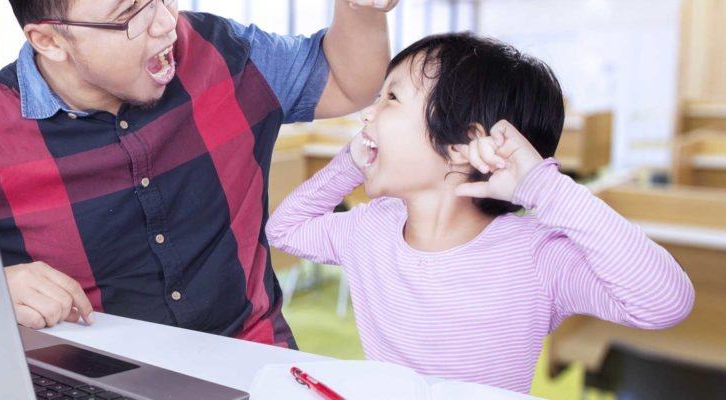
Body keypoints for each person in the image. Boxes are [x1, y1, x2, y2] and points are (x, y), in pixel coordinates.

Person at [0, 0, 399, 348]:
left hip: (252, 359)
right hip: (84, 377)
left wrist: (359, 8)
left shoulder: (221, 52)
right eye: (130, 15)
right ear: (49, 40)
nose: (163, 24)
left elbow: (344, 78)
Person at [265, 32, 694, 391]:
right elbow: (285, 230)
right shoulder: (370, 228)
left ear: (460, 146)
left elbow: (664, 303)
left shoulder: (535, 256)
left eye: (391, 97)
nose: (367, 114)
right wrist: (348, 165)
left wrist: (542, 187)